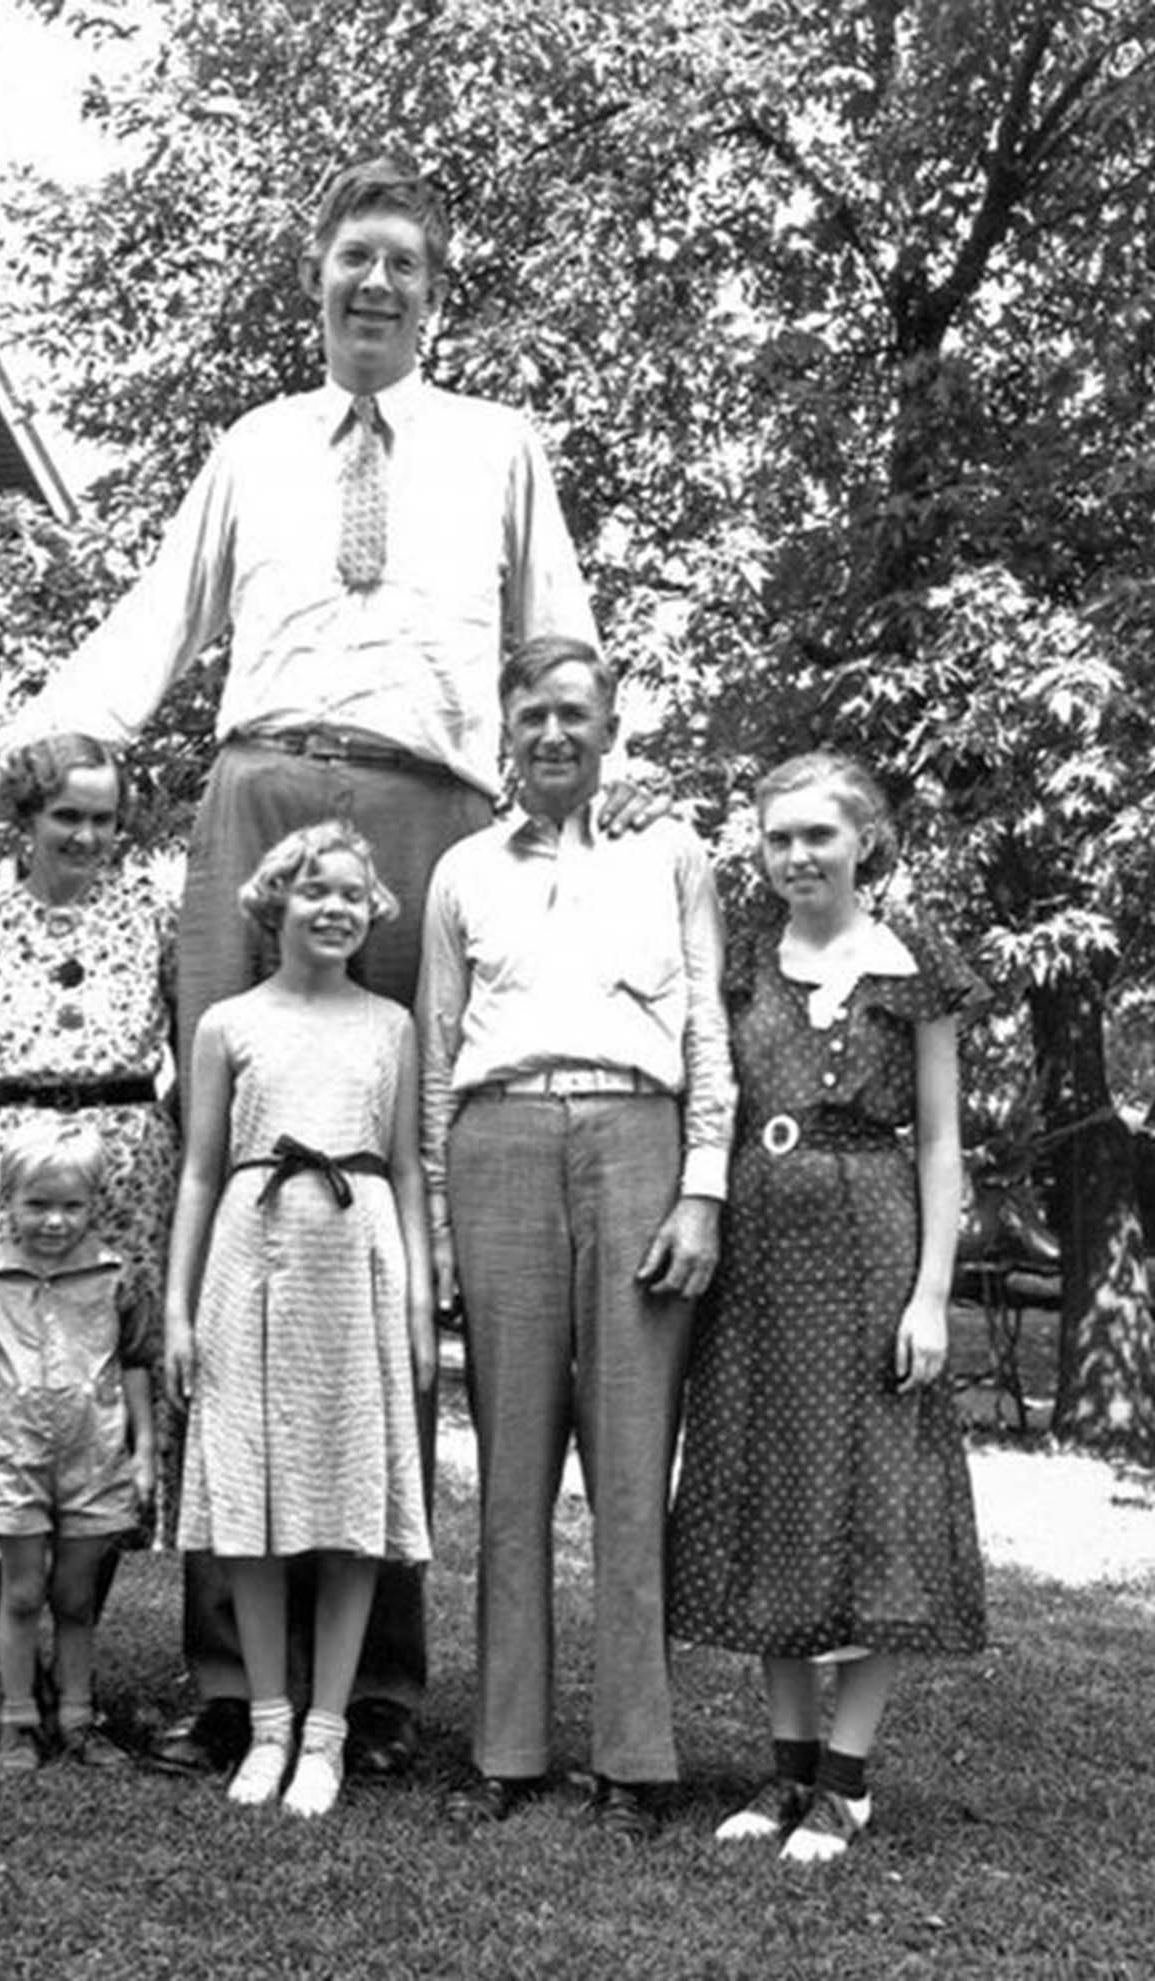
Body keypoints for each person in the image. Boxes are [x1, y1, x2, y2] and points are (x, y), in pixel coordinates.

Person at [0, 155, 621, 1778]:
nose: (373, 287)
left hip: (430, 802)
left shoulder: (501, 452)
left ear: (438, 291)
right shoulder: (252, 448)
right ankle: (234, 1678)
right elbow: (146, 632)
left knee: (389, 1201)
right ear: (320, 283)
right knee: (232, 1197)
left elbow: (562, 652)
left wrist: (592, 843)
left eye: (401, 266)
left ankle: (375, 1688)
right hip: (258, 788)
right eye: (349, 262)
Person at [417, 635, 734, 1836]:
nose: (552, 734)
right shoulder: (461, 871)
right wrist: (443, 1226)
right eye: (530, 715)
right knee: (509, 1461)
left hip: (637, 1138)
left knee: (628, 1456)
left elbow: (706, 1028)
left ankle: (636, 1758)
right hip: (498, 1142)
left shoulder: (670, 852)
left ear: (610, 729)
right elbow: (439, 1053)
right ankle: (507, 1749)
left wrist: (700, 1185)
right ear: (505, 731)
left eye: (573, 715)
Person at [667, 751, 987, 1864]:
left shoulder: (914, 961)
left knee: (872, 1504)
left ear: (867, 841)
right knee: (770, 1494)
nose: (795, 855)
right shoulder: (743, 951)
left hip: (874, 1249)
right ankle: (785, 1768)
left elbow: (943, 1137)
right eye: (775, 837)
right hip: (757, 1254)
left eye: (817, 834)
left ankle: (846, 1783)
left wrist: (931, 1294)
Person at [164, 822, 436, 1817]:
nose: (334, 907)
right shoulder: (228, 1023)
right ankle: (267, 1721)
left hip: (355, 1265)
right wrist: (180, 1305)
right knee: (253, 1500)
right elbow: (198, 1170)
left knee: (348, 1504)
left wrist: (415, 1298)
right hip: (251, 1259)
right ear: (274, 901)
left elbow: (405, 1169)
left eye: (353, 894)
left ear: (372, 915)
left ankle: (326, 1732)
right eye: (314, 889)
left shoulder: (390, 1024)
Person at [0, 734, 177, 1559]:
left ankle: (80, 1642)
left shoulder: (150, 919)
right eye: (67, 816)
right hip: (6, 1175)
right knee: (9, 1380)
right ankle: (20, 1633)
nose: (87, 837)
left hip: (128, 1182)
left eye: (104, 819)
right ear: (25, 817)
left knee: (104, 1379)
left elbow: (200, 1057)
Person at [0, 1120, 156, 1773]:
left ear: (96, 1202)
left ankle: (77, 1715)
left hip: (94, 1454)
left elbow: (134, 1363)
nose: (55, 1221)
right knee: (20, 1591)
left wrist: (144, 1446)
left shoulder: (116, 1279)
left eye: (72, 1205)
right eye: (37, 1204)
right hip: (15, 1457)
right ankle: (17, 1717)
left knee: (74, 1595)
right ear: (7, 1198)